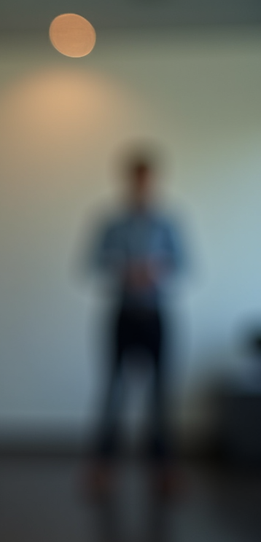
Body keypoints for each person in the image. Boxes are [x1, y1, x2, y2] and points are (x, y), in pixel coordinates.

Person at [86, 150, 186, 498]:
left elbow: (184, 265)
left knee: (160, 395)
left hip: (156, 316)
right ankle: (102, 469)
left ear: (154, 182)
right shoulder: (112, 223)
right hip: (122, 315)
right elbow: (92, 263)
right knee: (113, 392)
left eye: (147, 180)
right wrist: (124, 270)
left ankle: (164, 470)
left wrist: (157, 270)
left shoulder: (168, 223)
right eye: (136, 180)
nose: (142, 186)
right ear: (128, 181)